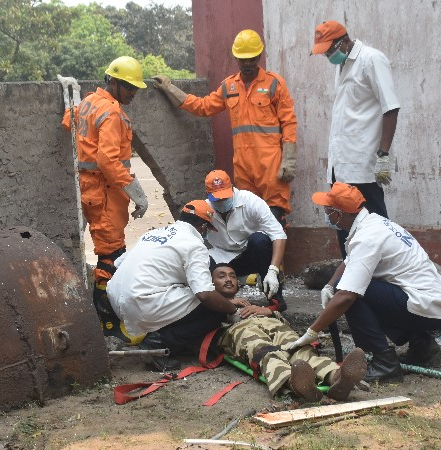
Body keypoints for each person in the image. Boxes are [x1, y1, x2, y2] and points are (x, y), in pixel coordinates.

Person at [288, 183, 441, 382]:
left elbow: (346, 296)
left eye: (328, 210)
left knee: (351, 294)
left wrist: (312, 331)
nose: (326, 215)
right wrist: (329, 285)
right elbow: (350, 261)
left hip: (426, 308)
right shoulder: (373, 222)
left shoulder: (367, 237)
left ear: (339, 214)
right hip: (431, 305)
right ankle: (422, 345)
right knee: (347, 286)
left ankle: (384, 364)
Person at [152, 29, 297, 226]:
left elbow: (289, 122)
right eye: (243, 59)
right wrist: (170, 89)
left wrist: (289, 160)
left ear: (259, 56)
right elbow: (203, 106)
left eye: (252, 59)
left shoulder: (274, 84)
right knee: (248, 219)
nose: (248, 63)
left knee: (275, 217)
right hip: (243, 167)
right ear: (235, 57)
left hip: (270, 165)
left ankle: (278, 247)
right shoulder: (229, 86)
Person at [57, 56, 149, 344]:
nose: (134, 93)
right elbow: (107, 160)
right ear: (115, 82)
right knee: (111, 258)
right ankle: (108, 326)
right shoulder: (110, 112)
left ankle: (109, 321)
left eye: (136, 88)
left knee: (113, 254)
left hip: (93, 190)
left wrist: (72, 99)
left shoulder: (88, 102)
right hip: (106, 191)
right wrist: (136, 191)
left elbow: (68, 122)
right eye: (130, 87)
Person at [106, 200, 237, 371]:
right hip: (141, 303)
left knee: (185, 296)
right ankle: (157, 344)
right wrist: (232, 310)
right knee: (214, 309)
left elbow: (118, 263)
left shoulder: (153, 233)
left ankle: (164, 337)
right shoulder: (194, 245)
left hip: (116, 299)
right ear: (204, 227)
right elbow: (205, 294)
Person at [211, 263, 367, 402]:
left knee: (298, 348)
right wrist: (224, 304)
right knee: (265, 352)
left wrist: (269, 312)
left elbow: (285, 322)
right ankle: (292, 382)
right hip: (240, 331)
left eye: (232, 276)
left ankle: (337, 377)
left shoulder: (249, 302)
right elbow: (206, 328)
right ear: (211, 283)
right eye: (222, 276)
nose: (229, 279)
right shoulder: (205, 305)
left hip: (273, 325)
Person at [311, 21, 400, 257]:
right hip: (340, 165)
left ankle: (385, 273)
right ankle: (352, 275)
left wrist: (383, 155)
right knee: (345, 226)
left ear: (344, 41)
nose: (328, 56)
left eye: (329, 51)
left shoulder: (372, 59)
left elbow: (390, 108)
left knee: (375, 227)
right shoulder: (341, 66)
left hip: (363, 164)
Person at [203, 169, 287, 310]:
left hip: (251, 254)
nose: (222, 201)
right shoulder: (204, 209)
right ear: (207, 195)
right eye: (217, 199)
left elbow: (278, 234)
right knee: (202, 258)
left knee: (259, 240)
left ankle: (276, 301)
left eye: (225, 197)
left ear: (232, 189)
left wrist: (273, 270)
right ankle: (222, 303)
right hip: (222, 260)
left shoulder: (250, 201)